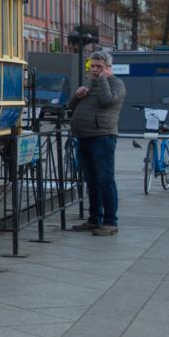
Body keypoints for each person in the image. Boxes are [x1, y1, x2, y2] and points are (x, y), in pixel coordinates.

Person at [68, 50, 126, 236]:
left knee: (105, 180)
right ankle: (94, 219)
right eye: (92, 66)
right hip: (85, 137)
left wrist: (102, 79)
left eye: (98, 67)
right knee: (91, 180)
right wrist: (77, 96)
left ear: (108, 68)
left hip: (103, 137)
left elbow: (106, 101)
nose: (94, 70)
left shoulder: (116, 84)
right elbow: (71, 107)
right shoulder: (91, 84)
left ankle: (110, 222)